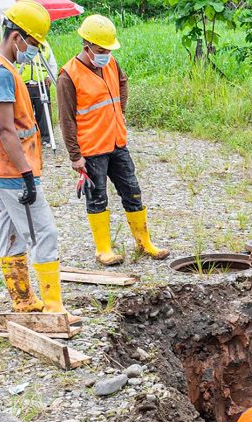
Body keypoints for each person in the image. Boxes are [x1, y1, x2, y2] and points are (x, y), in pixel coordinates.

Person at [0, 0, 67, 314]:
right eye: (34, 44)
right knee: (43, 232)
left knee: (11, 232)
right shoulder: (0, 73)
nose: (35, 51)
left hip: (0, 167)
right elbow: (5, 129)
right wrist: (27, 174)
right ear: (17, 38)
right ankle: (53, 308)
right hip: (12, 170)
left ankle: (23, 300)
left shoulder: (2, 66)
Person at [57, 14, 168, 267]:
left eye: (108, 48)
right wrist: (75, 155)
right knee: (97, 198)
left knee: (132, 191)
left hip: (117, 143)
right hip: (92, 148)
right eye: (100, 49)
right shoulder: (68, 76)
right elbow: (66, 119)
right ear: (86, 46)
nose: (105, 53)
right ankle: (103, 249)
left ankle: (144, 243)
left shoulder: (111, 63)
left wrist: (121, 112)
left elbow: (123, 82)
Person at [18, 39, 57, 146]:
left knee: (44, 113)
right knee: (24, 114)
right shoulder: (20, 43)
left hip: (41, 83)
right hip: (23, 84)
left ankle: (46, 138)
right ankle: (26, 138)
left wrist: (50, 77)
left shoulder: (45, 45)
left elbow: (52, 63)